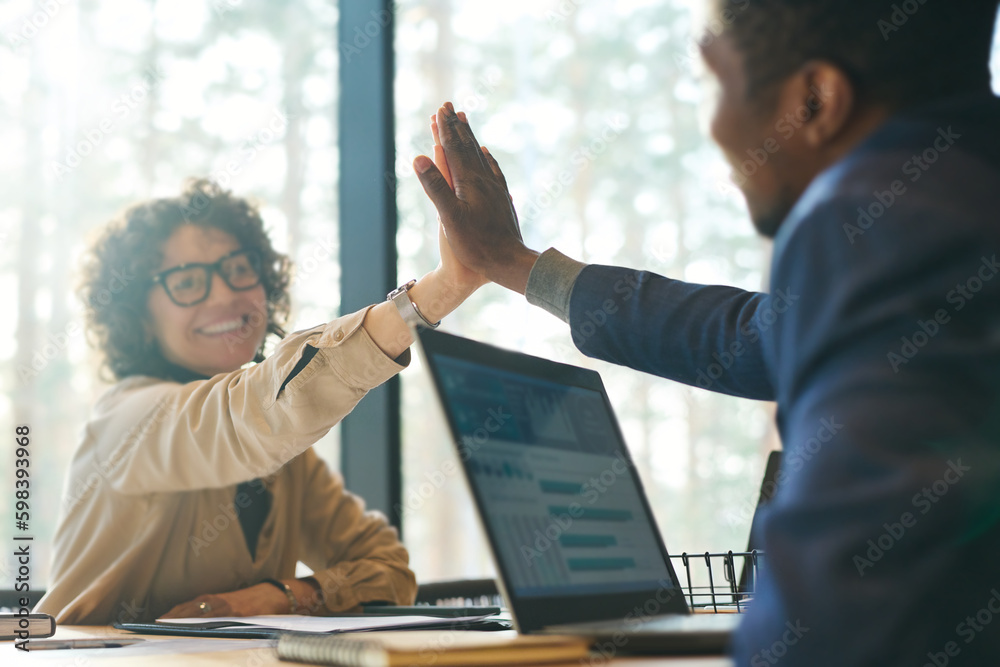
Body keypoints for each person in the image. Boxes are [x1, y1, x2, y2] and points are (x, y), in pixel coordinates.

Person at [412, 1, 1000, 664]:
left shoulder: (876, 218)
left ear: (816, 99)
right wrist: (513, 263)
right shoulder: (961, 192)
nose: (714, 126)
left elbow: (840, 622)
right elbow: (746, 335)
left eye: (714, 81)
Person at [36, 179, 484, 624]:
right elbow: (253, 418)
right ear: (140, 318)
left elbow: (389, 570)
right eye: (188, 281)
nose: (225, 294)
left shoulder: (292, 465)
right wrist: (438, 290)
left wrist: (281, 596)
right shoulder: (126, 419)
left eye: (239, 268)